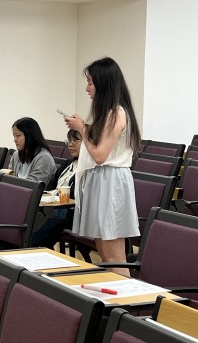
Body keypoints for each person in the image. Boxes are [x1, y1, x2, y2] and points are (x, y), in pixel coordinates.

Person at [65, 57, 141, 277]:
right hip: (102, 180)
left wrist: (82, 129)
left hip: (112, 181)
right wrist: (85, 127)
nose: (87, 88)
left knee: (114, 254)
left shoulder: (117, 112)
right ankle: (112, 303)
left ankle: (124, 306)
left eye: (90, 82)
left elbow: (99, 155)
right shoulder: (108, 112)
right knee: (103, 249)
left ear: (104, 83)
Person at [7, 117, 56, 186]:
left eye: (18, 136)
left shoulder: (43, 158)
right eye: (14, 136)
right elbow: (7, 178)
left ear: (30, 136)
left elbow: (32, 187)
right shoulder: (16, 155)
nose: (15, 139)